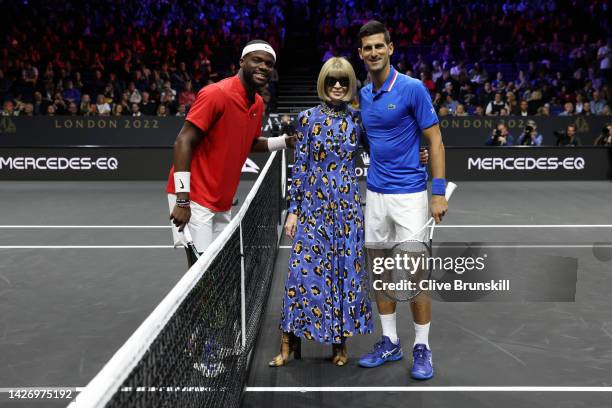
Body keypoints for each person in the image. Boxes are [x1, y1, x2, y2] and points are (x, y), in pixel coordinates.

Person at [356, 20, 448, 381]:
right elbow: (371, 141)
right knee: (379, 271)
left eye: (380, 46)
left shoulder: (412, 89)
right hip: (375, 195)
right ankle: (390, 341)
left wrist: (437, 193)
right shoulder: (362, 95)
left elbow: (435, 140)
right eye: (368, 48)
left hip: (410, 196)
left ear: (391, 48)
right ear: (361, 54)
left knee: (415, 276)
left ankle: (422, 346)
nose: (374, 52)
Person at [270, 57, 373, 368]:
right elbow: (301, 167)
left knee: (345, 273)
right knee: (301, 272)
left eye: (343, 81)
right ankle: (288, 341)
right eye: (332, 81)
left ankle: (340, 344)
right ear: (323, 84)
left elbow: (383, 150)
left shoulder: (358, 120)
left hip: (347, 208)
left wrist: (417, 154)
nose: (338, 86)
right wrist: (292, 211)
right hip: (313, 207)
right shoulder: (307, 118)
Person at [167, 40, 295, 266]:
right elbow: (182, 141)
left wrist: (285, 141)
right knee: (202, 273)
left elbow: (250, 143)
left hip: (222, 199)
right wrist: (183, 200)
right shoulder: (216, 94)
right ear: (242, 62)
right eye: (257, 60)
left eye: (269, 63)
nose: (264, 66)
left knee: (219, 269)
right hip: (194, 197)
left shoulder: (256, 103)